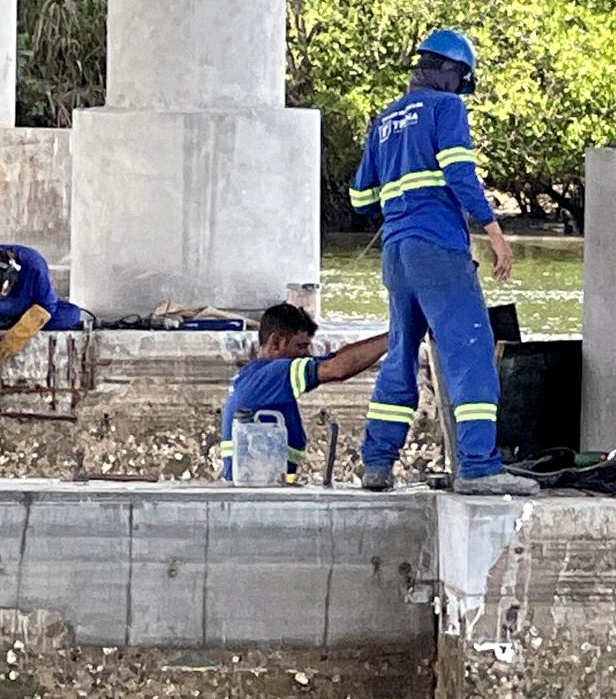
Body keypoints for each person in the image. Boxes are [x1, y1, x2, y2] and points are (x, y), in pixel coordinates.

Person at [348, 28, 538, 496]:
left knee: (401, 354)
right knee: (470, 351)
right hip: (438, 249)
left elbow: (359, 198)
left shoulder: (384, 119)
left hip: (396, 254)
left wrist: (401, 192)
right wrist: (494, 232)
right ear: (451, 72)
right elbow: (459, 172)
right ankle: (478, 466)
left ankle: (377, 464)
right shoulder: (447, 108)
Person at [220, 303, 388, 482]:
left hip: (262, 482)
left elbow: (335, 359)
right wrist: (395, 338)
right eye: (300, 346)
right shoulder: (274, 374)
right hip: (258, 487)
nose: (305, 354)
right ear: (276, 342)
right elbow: (336, 369)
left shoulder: (254, 375)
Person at [0, 244, 83, 427]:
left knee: (72, 314)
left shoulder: (34, 266)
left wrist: (17, 336)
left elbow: (47, 305)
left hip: (24, 312)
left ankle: (2, 322)